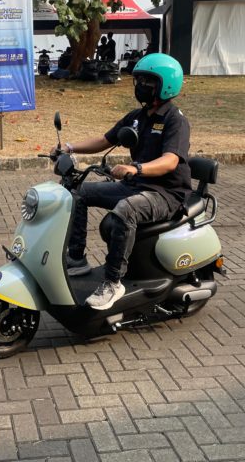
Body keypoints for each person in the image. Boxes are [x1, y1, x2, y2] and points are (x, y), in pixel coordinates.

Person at [53, 53, 191, 310]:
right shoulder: (137, 117)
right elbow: (105, 140)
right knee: (76, 192)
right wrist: (69, 148)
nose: (140, 86)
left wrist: (135, 168)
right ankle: (77, 259)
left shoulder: (175, 120)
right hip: (137, 185)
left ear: (166, 85)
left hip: (166, 193)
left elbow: (171, 161)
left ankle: (112, 282)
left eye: (148, 81)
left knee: (126, 210)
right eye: (139, 80)